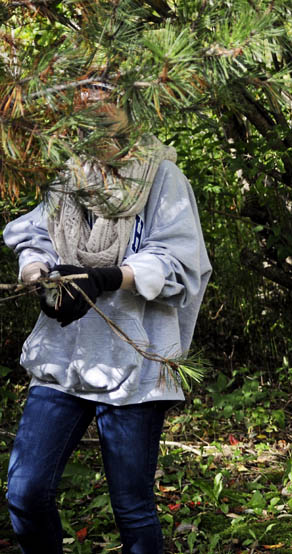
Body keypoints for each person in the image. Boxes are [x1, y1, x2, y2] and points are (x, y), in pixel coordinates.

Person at [3, 83, 212, 553]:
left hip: (134, 362)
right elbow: (35, 232)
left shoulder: (160, 177)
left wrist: (105, 278)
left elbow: (179, 261)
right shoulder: (67, 175)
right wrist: (37, 273)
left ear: (128, 105)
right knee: (26, 491)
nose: (90, 105)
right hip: (64, 356)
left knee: (132, 506)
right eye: (81, 96)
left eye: (102, 94)